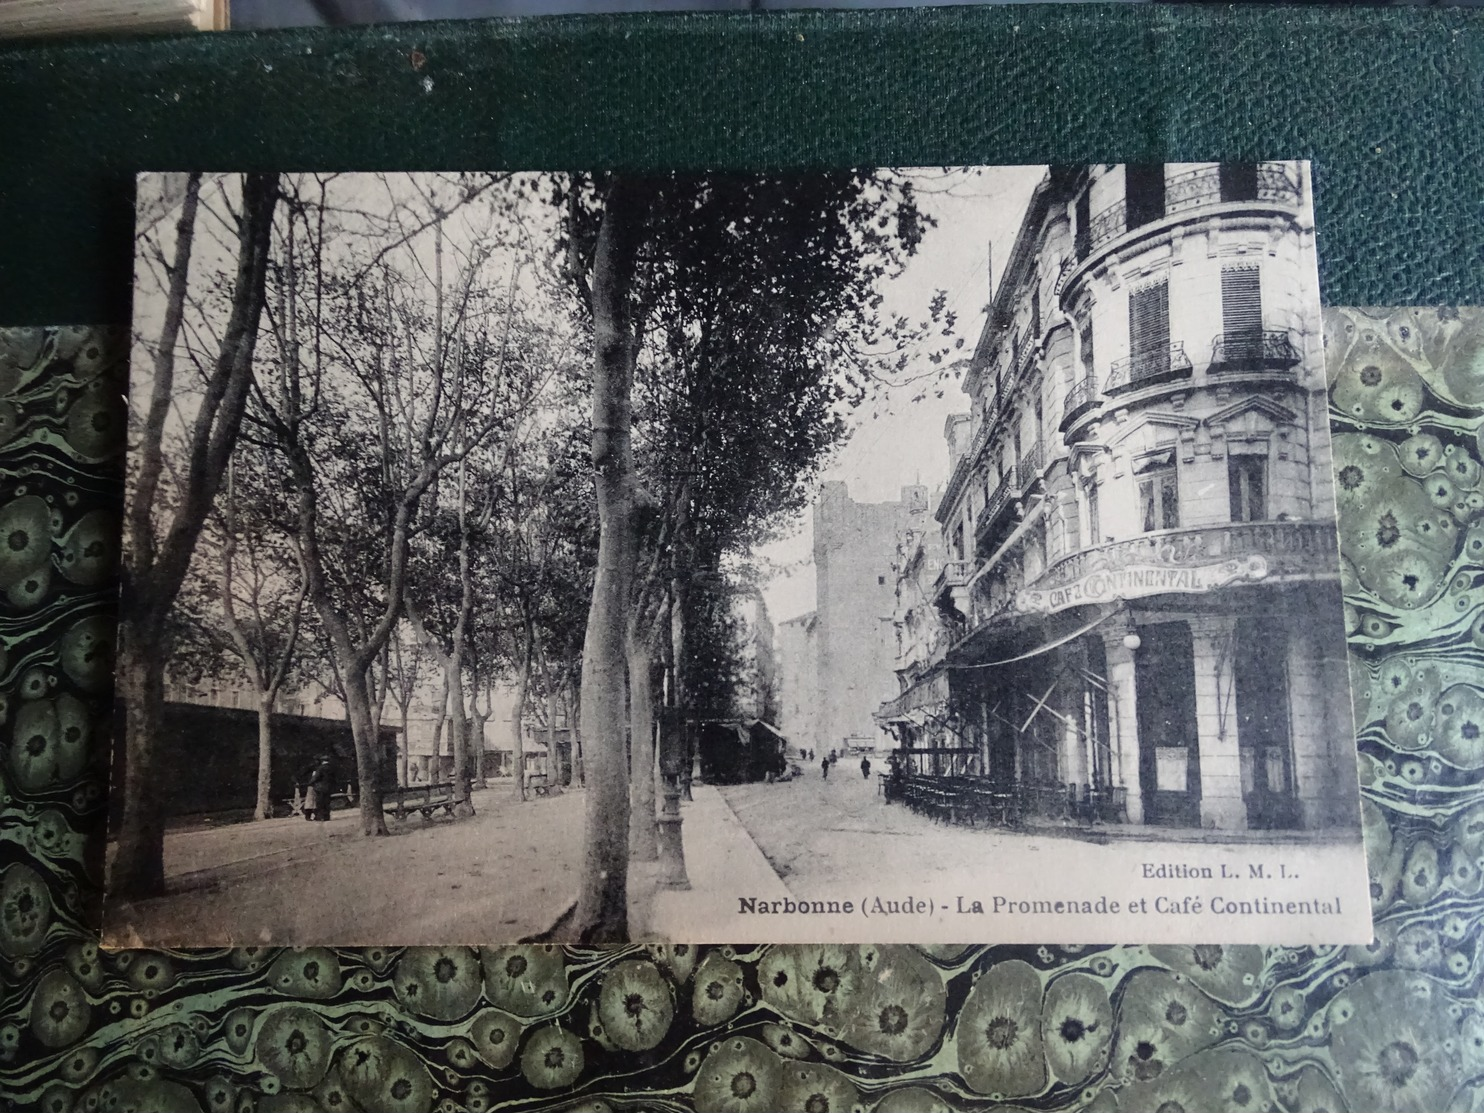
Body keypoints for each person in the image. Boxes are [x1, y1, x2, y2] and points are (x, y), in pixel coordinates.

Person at [304, 754, 334, 822]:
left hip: (320, 787)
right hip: (328, 787)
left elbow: (316, 777)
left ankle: (319, 817)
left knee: (320, 803)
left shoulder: (320, 768)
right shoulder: (331, 768)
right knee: (327, 802)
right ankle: (327, 816)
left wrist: (310, 783)